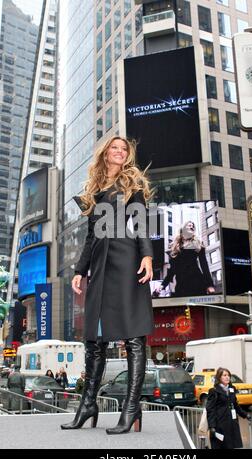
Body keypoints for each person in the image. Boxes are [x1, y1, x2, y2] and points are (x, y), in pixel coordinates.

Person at [61, 136, 154, 434]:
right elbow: (91, 237)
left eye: (123, 149)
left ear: (127, 156)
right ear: (105, 153)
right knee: (94, 340)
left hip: (126, 262)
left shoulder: (131, 185)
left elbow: (139, 225)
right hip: (100, 268)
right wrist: (80, 269)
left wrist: (148, 257)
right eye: (114, 148)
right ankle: (88, 404)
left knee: (133, 338)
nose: (119, 151)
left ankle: (131, 408)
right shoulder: (94, 190)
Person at [153, 221, 215, 297]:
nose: (192, 227)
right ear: (183, 229)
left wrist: (210, 285)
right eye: (189, 225)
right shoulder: (174, 247)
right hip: (181, 285)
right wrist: (162, 286)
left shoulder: (198, 244)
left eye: (193, 226)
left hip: (197, 283)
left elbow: (204, 265)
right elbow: (172, 271)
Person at [206, 367, 251, 449]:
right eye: (224, 375)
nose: (227, 377)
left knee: (232, 445)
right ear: (219, 377)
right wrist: (212, 426)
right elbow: (210, 409)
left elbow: (236, 405)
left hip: (232, 423)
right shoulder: (214, 391)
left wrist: (245, 415)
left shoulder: (232, 389)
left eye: (228, 375)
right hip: (220, 424)